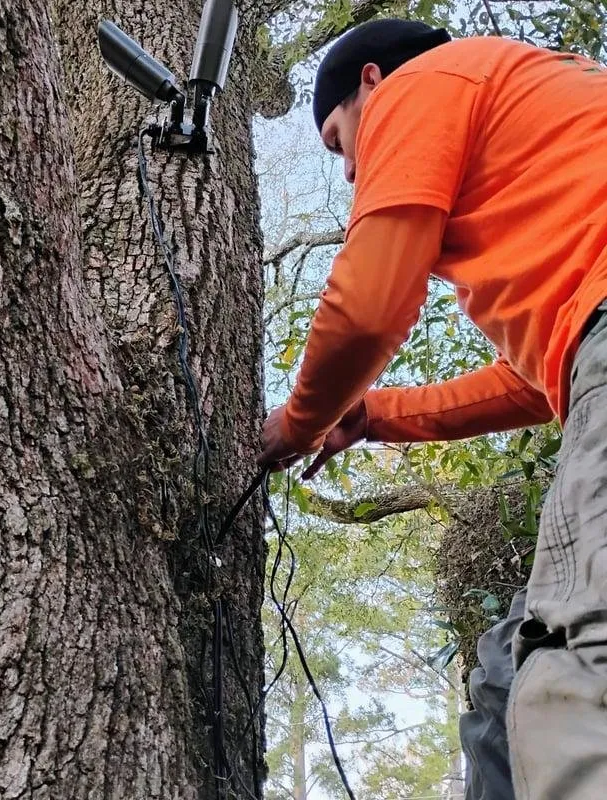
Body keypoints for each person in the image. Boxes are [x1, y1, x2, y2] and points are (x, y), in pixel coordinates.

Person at [256, 17, 607, 800]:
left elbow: (370, 309)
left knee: (572, 679)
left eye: (339, 142)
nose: (350, 174)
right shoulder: (549, 149)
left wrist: (299, 420)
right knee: (506, 683)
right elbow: (539, 380)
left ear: (373, 83)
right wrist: (374, 413)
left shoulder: (429, 81)